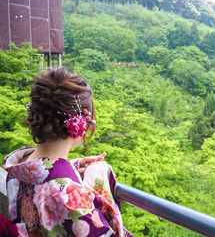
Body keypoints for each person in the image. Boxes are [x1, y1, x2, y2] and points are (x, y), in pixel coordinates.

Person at [3, 68, 133, 237]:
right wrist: (98, 179)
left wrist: (71, 169)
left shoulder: (19, 165)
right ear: (80, 125)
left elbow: (45, 177)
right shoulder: (66, 194)